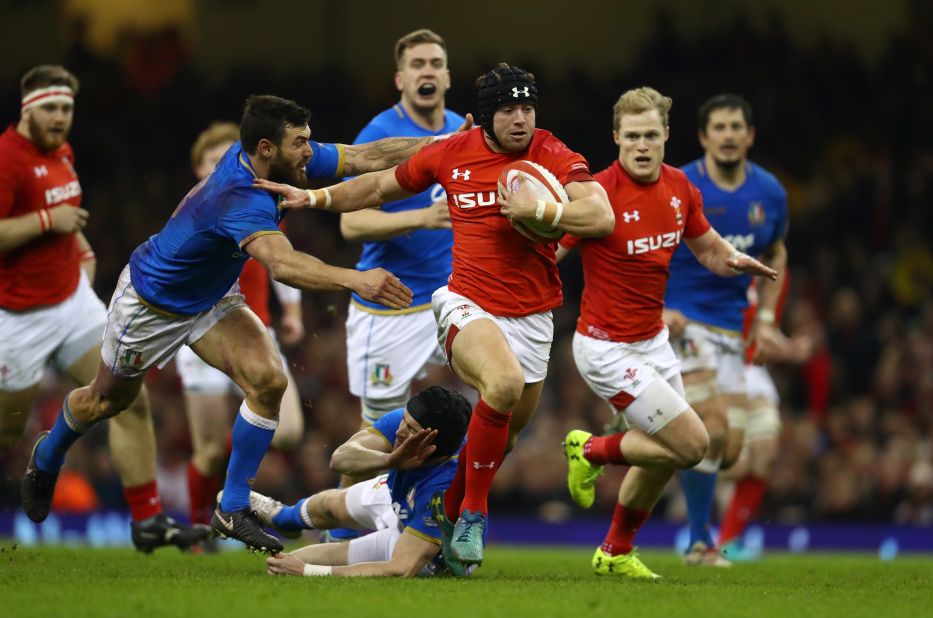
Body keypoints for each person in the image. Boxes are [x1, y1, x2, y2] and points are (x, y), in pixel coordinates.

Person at [20, 93, 460, 554]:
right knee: (104, 401)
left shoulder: (280, 163)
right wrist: (356, 279)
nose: (310, 152)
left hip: (211, 298)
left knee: (269, 381)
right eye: (300, 144)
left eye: (309, 141)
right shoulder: (240, 195)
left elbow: (365, 156)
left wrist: (444, 143)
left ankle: (231, 507)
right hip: (152, 304)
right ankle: (48, 457)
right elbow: (283, 265)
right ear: (267, 148)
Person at [255, 63, 615, 569]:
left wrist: (543, 213)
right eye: (508, 109)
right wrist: (313, 197)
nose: (521, 119)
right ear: (486, 116)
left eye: (528, 108)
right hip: (464, 302)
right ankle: (472, 512)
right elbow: (378, 188)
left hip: (534, 315)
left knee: (505, 436)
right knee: (503, 385)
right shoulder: (452, 152)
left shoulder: (553, 154)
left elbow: (601, 215)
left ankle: (442, 514)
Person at [557, 87, 776, 579]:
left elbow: (709, 249)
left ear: (666, 136)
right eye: (631, 136)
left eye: (650, 135)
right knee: (695, 445)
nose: (641, 145)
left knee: (664, 457)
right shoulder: (596, 194)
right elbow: (552, 254)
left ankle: (614, 552)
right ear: (616, 137)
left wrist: (734, 262)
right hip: (605, 347)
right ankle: (588, 448)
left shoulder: (680, 188)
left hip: (652, 341)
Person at [0, 65, 208, 552]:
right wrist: (52, 220)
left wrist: (79, 245)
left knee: (127, 397)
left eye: (67, 109)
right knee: (6, 433)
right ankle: (39, 456)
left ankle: (147, 519)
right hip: (17, 316)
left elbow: (65, 219)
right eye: (50, 108)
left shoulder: (61, 152)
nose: (60, 118)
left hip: (71, 302)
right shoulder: (7, 159)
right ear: (27, 108)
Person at [328, 28, 464, 543]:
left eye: (436, 63)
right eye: (418, 64)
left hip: (449, 301)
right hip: (387, 309)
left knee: (483, 406)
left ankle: (444, 521)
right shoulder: (379, 134)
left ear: (448, 76)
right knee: (377, 436)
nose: (427, 71)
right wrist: (420, 220)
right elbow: (351, 224)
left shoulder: (459, 131)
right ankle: (338, 534)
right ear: (401, 78)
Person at [663, 93, 789, 566]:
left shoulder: (771, 194)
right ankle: (700, 542)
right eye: (719, 127)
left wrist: (768, 320)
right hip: (684, 324)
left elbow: (776, 253)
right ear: (703, 137)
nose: (729, 135)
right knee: (712, 432)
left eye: (737, 126)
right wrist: (654, 310)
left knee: (732, 449)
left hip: (733, 334)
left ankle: (630, 439)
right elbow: (645, 251)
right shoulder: (678, 186)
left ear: (750, 135)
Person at [176, 122, 306, 532]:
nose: (223, 167)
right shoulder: (190, 213)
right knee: (209, 451)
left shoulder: (259, 206)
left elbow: (284, 261)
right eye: (213, 161)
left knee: (288, 432)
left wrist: (292, 313)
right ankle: (202, 530)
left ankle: (229, 491)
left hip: (256, 330)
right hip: (202, 331)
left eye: (228, 159)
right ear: (198, 168)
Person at [249, 386, 471, 577]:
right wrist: (389, 459)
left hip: (423, 547)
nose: (400, 430)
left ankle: (299, 536)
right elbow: (340, 458)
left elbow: (400, 568)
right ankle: (283, 517)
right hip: (399, 497)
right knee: (331, 504)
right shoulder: (406, 422)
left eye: (412, 429)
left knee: (291, 562)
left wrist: (307, 571)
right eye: (404, 419)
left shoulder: (444, 491)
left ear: (434, 446)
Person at [717, 273, 811, 560]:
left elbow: (761, 331)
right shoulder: (718, 269)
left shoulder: (768, 280)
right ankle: (691, 469)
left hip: (754, 376)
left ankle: (728, 541)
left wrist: (787, 347)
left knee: (765, 455)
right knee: (738, 465)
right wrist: (786, 350)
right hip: (719, 373)